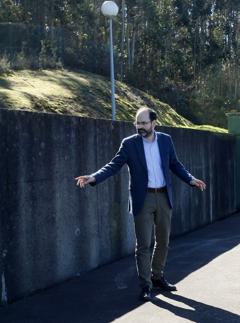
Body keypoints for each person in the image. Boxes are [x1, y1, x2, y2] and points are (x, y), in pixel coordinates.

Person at [75, 107, 206, 302]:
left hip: (163, 196)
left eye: (144, 123)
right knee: (143, 245)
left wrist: (190, 179)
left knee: (163, 241)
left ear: (154, 123)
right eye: (137, 123)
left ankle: (158, 276)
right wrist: (93, 177)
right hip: (142, 199)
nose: (140, 126)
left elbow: (175, 164)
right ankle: (146, 285)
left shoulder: (166, 140)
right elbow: (114, 165)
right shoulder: (129, 144)